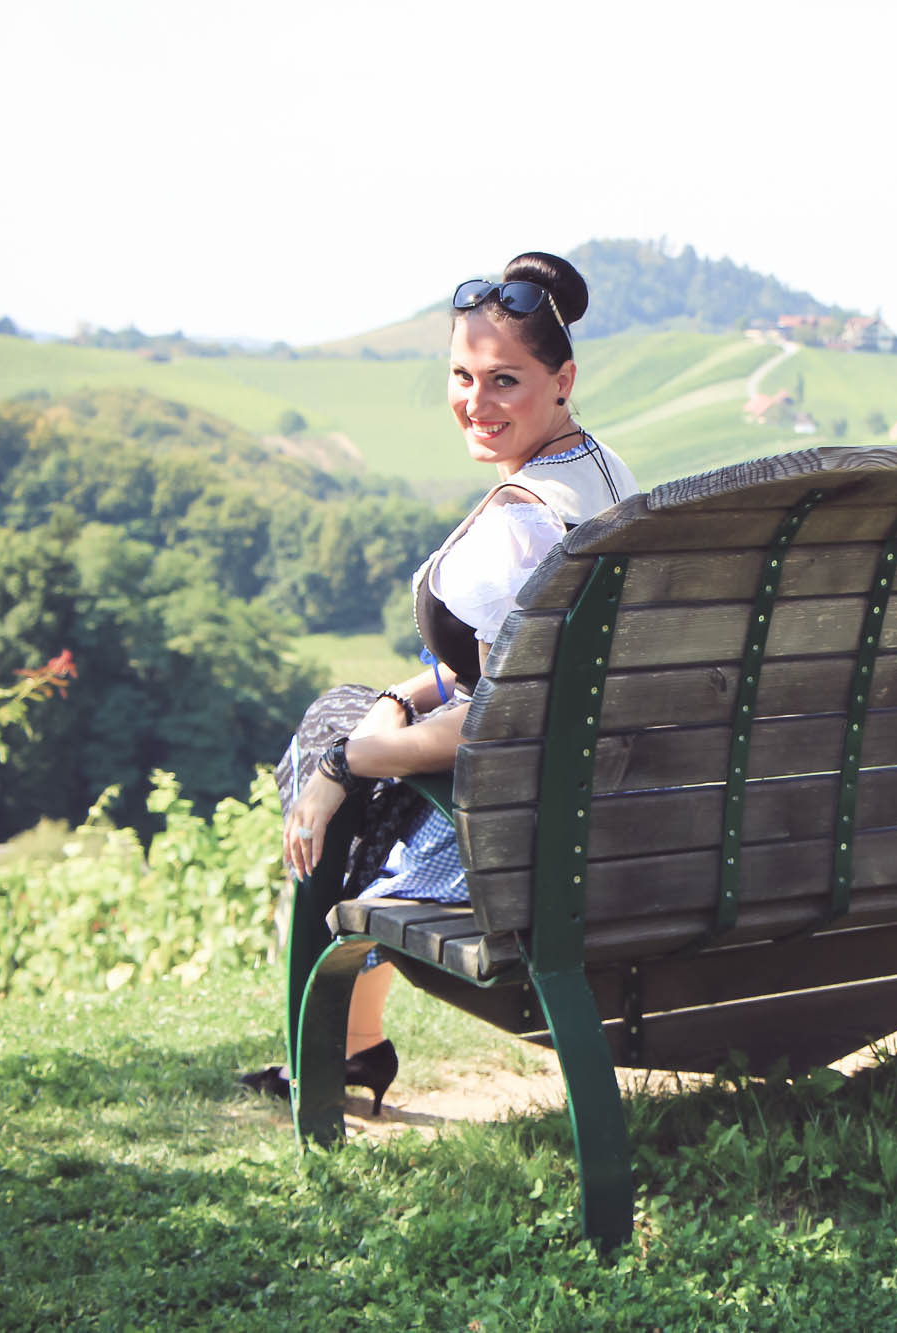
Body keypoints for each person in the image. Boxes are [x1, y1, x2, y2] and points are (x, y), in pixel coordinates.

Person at [241, 251, 638, 1112]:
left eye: (506, 380)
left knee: (327, 740)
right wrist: (401, 701)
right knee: (352, 713)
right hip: (612, 798)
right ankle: (352, 1042)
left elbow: (502, 718)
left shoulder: (517, 531)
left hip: (525, 834)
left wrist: (348, 762)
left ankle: (339, 1041)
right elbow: (500, 674)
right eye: (462, 375)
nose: (476, 402)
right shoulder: (605, 476)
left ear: (561, 378)